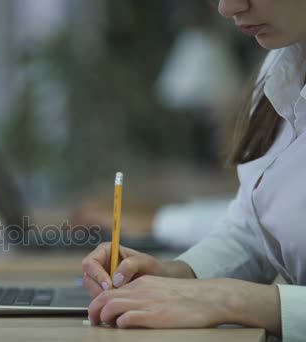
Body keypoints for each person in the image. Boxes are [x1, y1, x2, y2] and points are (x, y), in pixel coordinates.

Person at [81, 1, 306, 340]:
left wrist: (232, 299)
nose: (227, 7)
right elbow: (253, 230)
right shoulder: (283, 65)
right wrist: (179, 273)